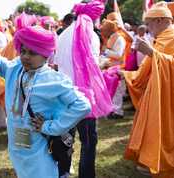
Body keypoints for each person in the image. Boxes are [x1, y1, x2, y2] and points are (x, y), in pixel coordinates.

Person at [0, 7, 91, 178]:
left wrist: (52, 127)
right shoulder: (14, 69)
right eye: (23, 51)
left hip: (41, 148)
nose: (25, 56)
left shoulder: (54, 79)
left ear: (45, 55)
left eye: (32, 53)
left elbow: (83, 105)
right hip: (17, 146)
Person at [54, 1, 113, 178]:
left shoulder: (63, 34)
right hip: (82, 97)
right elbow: (92, 67)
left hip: (63, 95)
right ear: (94, 17)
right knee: (88, 140)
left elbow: (57, 65)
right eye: (99, 17)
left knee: (65, 138)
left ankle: (63, 172)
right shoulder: (90, 35)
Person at [122, 2, 174, 177]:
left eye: (150, 23)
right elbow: (147, 68)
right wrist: (127, 75)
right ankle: (154, 161)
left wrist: (153, 53)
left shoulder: (173, 35)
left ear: (160, 20)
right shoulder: (161, 38)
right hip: (157, 92)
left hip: (170, 95)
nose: (148, 27)